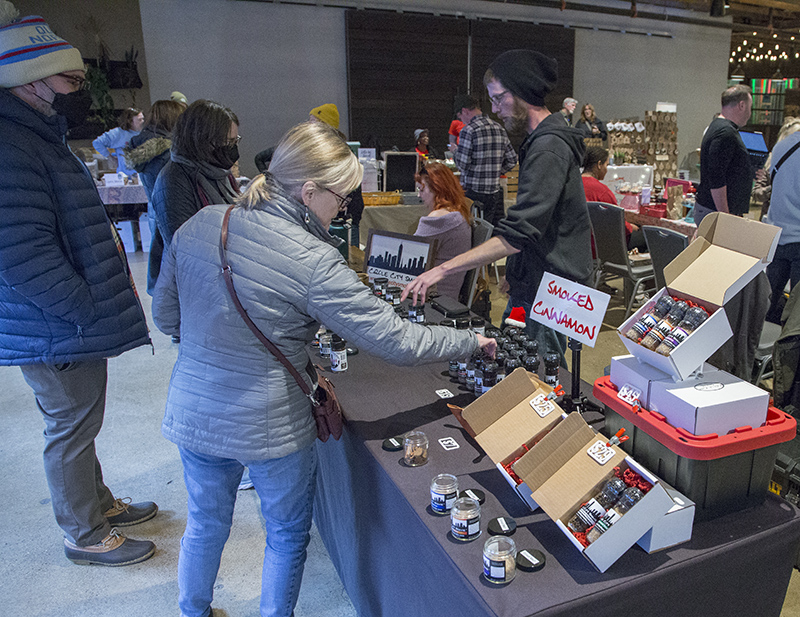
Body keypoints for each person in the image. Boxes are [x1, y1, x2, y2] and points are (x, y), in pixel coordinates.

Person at [151, 120, 495, 617]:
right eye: (342, 197)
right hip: (271, 424)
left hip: (194, 410)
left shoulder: (201, 224)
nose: (344, 209)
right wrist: (468, 340)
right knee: (287, 536)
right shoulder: (314, 260)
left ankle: (193, 611)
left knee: (204, 523)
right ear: (309, 191)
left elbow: (166, 318)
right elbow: (395, 339)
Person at [0, 5, 156, 566]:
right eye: (69, 79)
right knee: (69, 425)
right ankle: (84, 534)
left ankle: (99, 504)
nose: (79, 89)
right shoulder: (11, 145)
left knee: (79, 420)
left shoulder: (36, 134)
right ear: (31, 80)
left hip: (60, 321)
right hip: (54, 322)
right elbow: (19, 252)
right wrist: (81, 306)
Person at [404, 49, 593, 363]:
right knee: (512, 362)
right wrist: (517, 274)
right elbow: (540, 227)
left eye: (497, 98)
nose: (494, 109)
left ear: (520, 92)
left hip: (552, 292)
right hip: (533, 283)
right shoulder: (541, 142)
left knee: (539, 380)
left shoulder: (550, 148)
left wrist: (442, 269)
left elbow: (520, 231)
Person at [149, 99, 241, 295]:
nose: (233, 149)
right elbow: (185, 247)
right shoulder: (173, 179)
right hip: (195, 286)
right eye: (228, 143)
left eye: (235, 141)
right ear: (202, 140)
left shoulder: (218, 170)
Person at [124, 99, 185, 260]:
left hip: (154, 208)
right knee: (172, 261)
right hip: (173, 211)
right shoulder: (168, 151)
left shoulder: (140, 144)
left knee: (158, 259)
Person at [452, 93, 518, 227]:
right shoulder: (499, 128)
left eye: (460, 117)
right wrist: (495, 172)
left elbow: (463, 165)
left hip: (472, 192)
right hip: (494, 192)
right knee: (488, 231)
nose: (461, 121)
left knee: (473, 232)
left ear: (464, 111)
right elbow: (512, 160)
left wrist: (455, 152)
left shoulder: (468, 130)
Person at [694, 85, 754, 226]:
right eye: (750, 108)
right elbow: (716, 177)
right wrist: (725, 217)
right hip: (714, 212)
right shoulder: (726, 133)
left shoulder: (717, 127)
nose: (750, 113)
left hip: (710, 210)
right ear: (741, 105)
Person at [414, 162, 473, 299]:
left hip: (432, 296)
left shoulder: (437, 219)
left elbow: (412, 256)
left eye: (422, 190)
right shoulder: (457, 213)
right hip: (448, 293)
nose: (419, 196)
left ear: (437, 190)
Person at [763, 125, 800, 323]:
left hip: (777, 237)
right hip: (798, 240)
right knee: (795, 318)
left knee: (766, 307)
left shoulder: (781, 147)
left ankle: (755, 350)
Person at [581, 146, 646, 252]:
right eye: (606, 165)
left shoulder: (574, 185)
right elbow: (617, 222)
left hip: (581, 241)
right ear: (599, 165)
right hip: (601, 243)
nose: (606, 170)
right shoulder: (601, 191)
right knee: (645, 237)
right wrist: (632, 227)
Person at [92, 107, 144, 176]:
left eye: (143, 119)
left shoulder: (144, 132)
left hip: (143, 174)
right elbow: (97, 143)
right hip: (126, 175)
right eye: (139, 120)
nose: (143, 121)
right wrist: (110, 157)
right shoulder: (117, 133)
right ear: (130, 121)